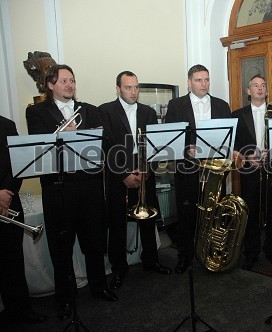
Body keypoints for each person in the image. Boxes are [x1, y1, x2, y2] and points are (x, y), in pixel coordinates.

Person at [25, 64, 117, 321]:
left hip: (89, 189)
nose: (70, 85)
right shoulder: (36, 112)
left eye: (72, 80)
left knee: (94, 241)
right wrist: (60, 137)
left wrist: (96, 136)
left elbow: (107, 140)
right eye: (64, 81)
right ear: (50, 84)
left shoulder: (88, 110)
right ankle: (65, 298)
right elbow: (36, 145)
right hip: (59, 189)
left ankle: (99, 286)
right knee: (61, 247)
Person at [100, 71, 172, 290]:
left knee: (148, 221)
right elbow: (105, 147)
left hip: (143, 174)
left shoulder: (148, 112)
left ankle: (151, 260)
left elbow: (153, 144)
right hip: (117, 177)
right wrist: (123, 174)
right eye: (128, 87)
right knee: (117, 224)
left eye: (136, 87)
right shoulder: (104, 111)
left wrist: (144, 171)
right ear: (118, 88)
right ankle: (119, 269)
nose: (133, 92)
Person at [164, 64, 232, 274]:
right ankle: (185, 257)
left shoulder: (222, 105)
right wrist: (186, 149)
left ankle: (211, 255)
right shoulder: (175, 104)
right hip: (188, 169)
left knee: (213, 215)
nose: (204, 84)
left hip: (215, 170)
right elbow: (170, 138)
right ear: (189, 82)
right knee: (187, 215)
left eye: (206, 80)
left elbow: (230, 138)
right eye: (198, 80)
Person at [232, 74, 272, 270]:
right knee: (251, 212)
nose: (260, 88)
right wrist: (247, 158)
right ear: (249, 91)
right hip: (249, 170)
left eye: (263, 85)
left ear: (267, 90)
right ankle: (251, 252)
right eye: (255, 85)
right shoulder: (237, 114)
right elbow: (234, 145)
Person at [0, 116, 47, 327]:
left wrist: (6, 193)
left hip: (8, 200)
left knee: (12, 260)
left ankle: (19, 310)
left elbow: (18, 164)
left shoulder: (7, 125)